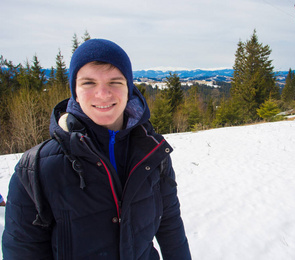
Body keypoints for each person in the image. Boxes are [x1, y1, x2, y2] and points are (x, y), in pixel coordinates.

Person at [2, 39, 191, 259]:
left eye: (115, 82)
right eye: (89, 83)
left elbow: (170, 225)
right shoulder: (36, 168)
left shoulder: (152, 152)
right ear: (74, 90)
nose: (103, 94)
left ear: (128, 88)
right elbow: (23, 250)